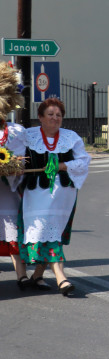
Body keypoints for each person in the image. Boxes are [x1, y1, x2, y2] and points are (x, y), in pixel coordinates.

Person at [20, 98, 91, 297]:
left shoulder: (70, 137)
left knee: (52, 235)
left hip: (63, 197)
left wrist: (62, 166)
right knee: (44, 232)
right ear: (40, 117)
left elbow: (84, 161)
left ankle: (38, 275)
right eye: (50, 114)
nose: (55, 118)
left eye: (58, 115)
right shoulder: (29, 136)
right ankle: (61, 277)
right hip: (36, 196)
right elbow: (15, 156)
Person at [0, 116, 29, 289]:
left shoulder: (15, 131)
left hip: (6, 190)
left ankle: (21, 275)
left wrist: (15, 169)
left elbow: (22, 158)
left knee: (13, 234)